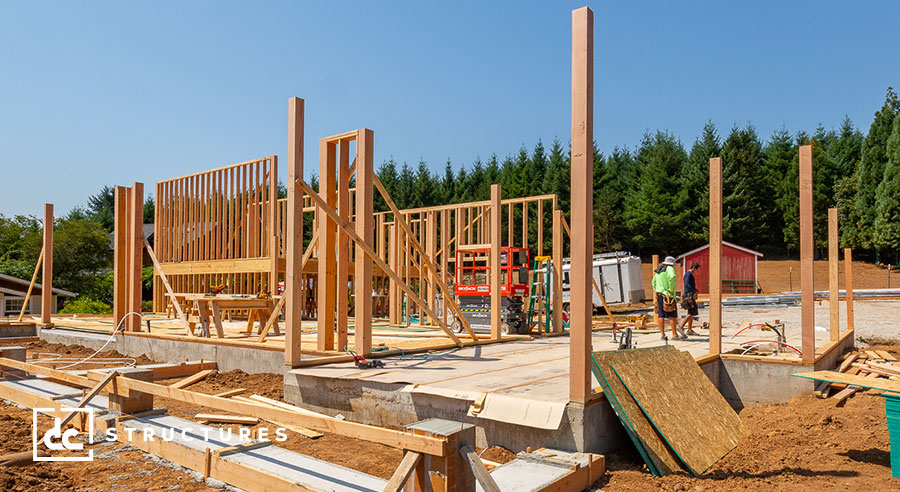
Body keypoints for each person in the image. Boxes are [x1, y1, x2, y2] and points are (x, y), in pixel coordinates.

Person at [652, 256, 685, 340]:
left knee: (661, 315)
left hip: (660, 295)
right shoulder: (669, 268)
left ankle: (663, 335)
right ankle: (674, 335)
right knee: (672, 315)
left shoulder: (659, 270)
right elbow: (672, 276)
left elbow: (653, 282)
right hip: (668, 296)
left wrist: (657, 290)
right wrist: (671, 289)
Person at [679, 262, 700, 336]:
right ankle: (681, 326)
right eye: (697, 269)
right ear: (693, 267)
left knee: (691, 312)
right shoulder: (688, 274)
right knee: (692, 312)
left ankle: (689, 329)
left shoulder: (689, 274)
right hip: (689, 295)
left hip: (689, 294)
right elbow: (687, 284)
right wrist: (694, 291)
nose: (697, 270)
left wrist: (695, 289)